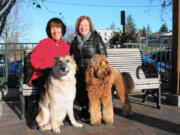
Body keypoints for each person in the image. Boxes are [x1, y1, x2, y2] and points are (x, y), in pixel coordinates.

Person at [29, 17, 70, 129]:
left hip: (58, 77)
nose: (55, 31)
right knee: (46, 86)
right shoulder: (44, 43)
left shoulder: (66, 46)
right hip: (42, 74)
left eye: (58, 28)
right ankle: (36, 117)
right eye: (53, 28)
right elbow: (33, 59)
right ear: (49, 30)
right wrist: (43, 67)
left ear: (62, 30)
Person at [70, 16, 107, 122]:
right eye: (81, 25)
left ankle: (98, 110)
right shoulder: (74, 41)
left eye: (86, 25)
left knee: (95, 91)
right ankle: (84, 108)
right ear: (78, 27)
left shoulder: (96, 38)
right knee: (79, 88)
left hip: (94, 72)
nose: (83, 27)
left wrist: (99, 71)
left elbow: (103, 56)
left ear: (90, 26)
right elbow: (70, 56)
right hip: (80, 71)